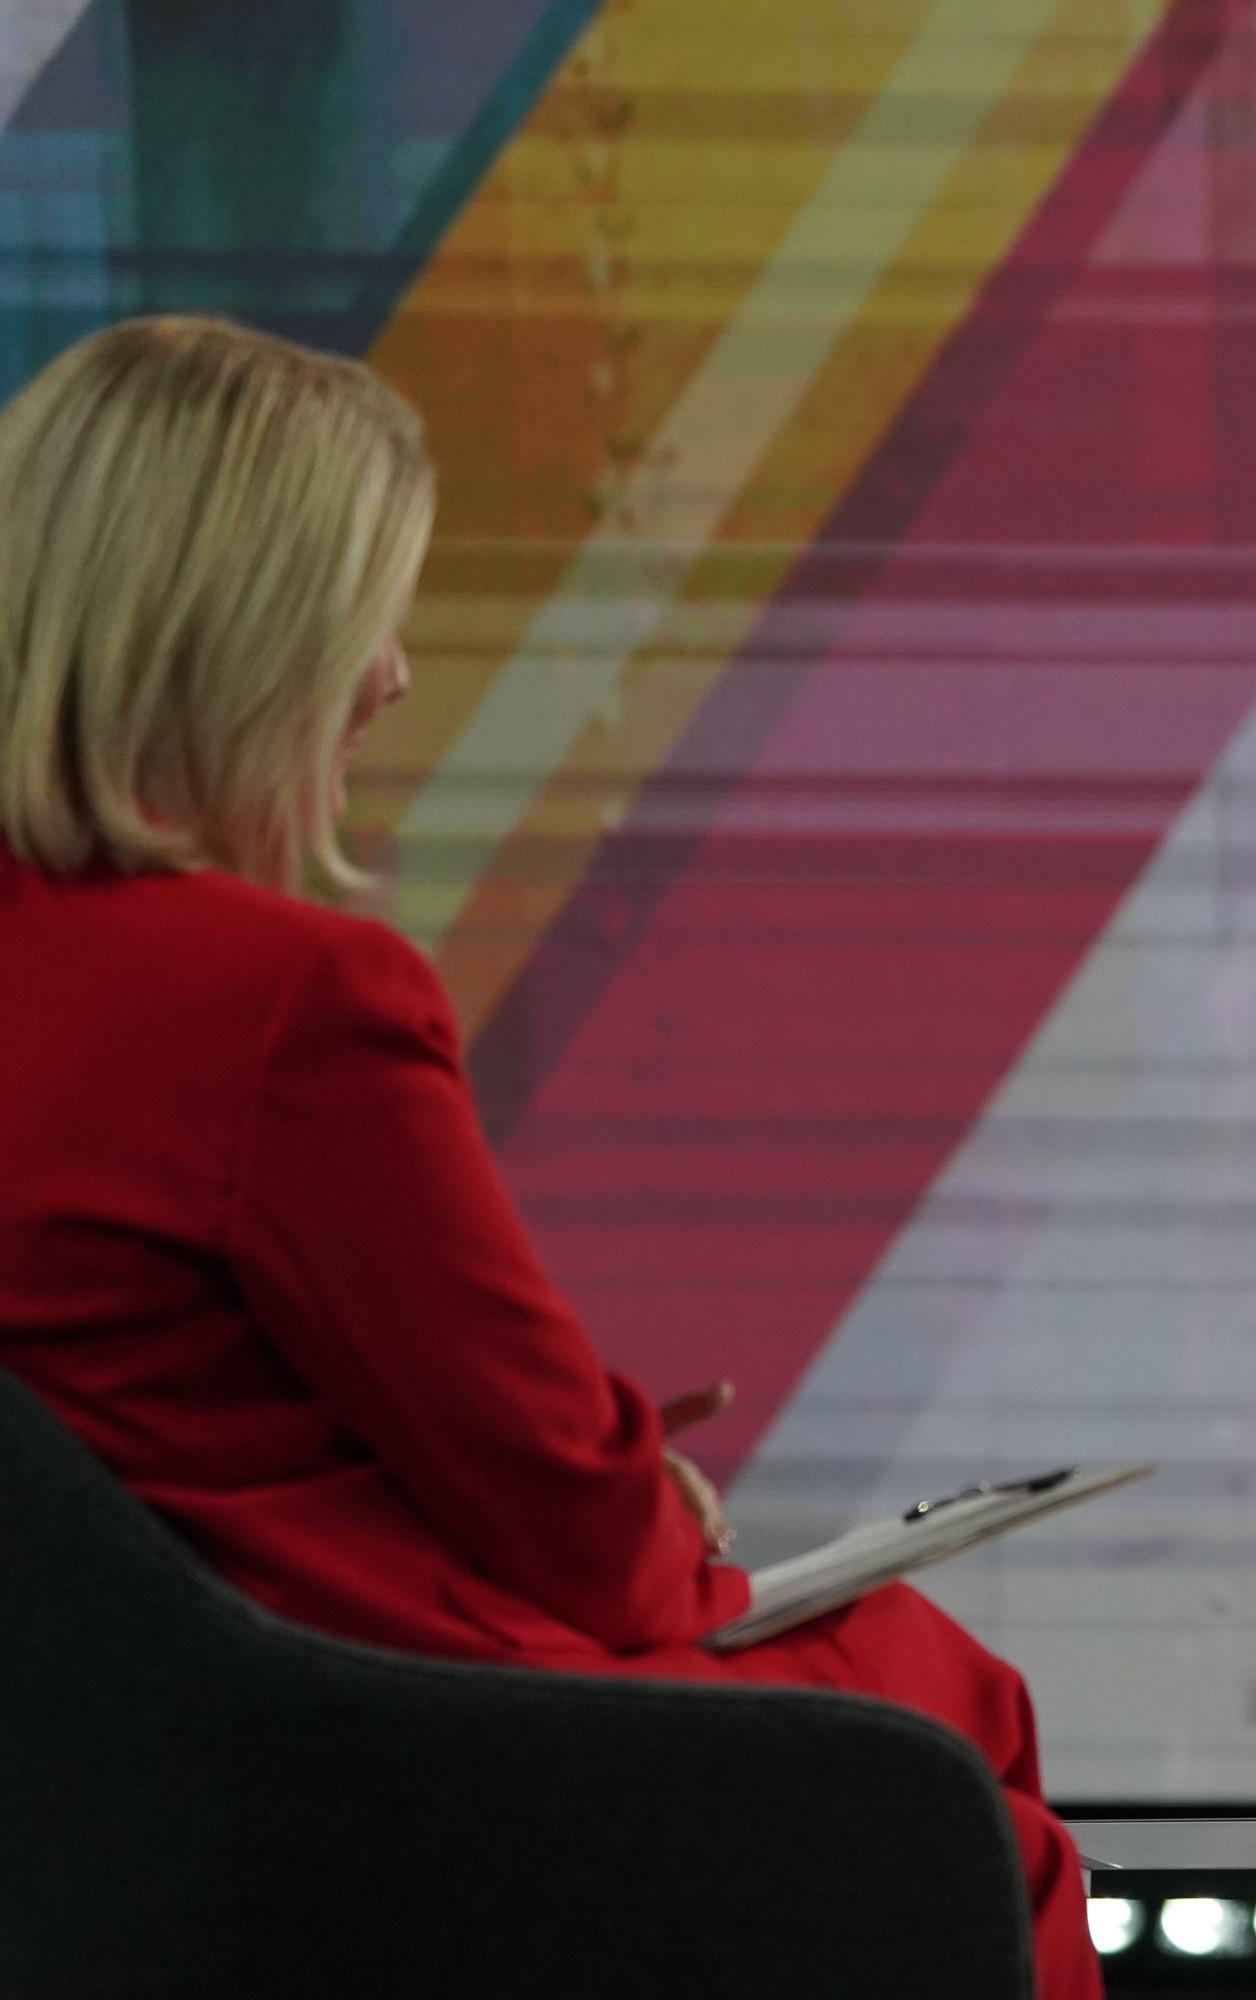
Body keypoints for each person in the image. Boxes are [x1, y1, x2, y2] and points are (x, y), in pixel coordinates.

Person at [0, 316, 1100, 2000]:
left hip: (114, 1800)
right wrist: (641, 1484)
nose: (393, 677)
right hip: (378, 1735)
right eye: (366, 616)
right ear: (244, 638)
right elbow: (583, 1537)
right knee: (949, 1711)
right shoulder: (285, 1000)